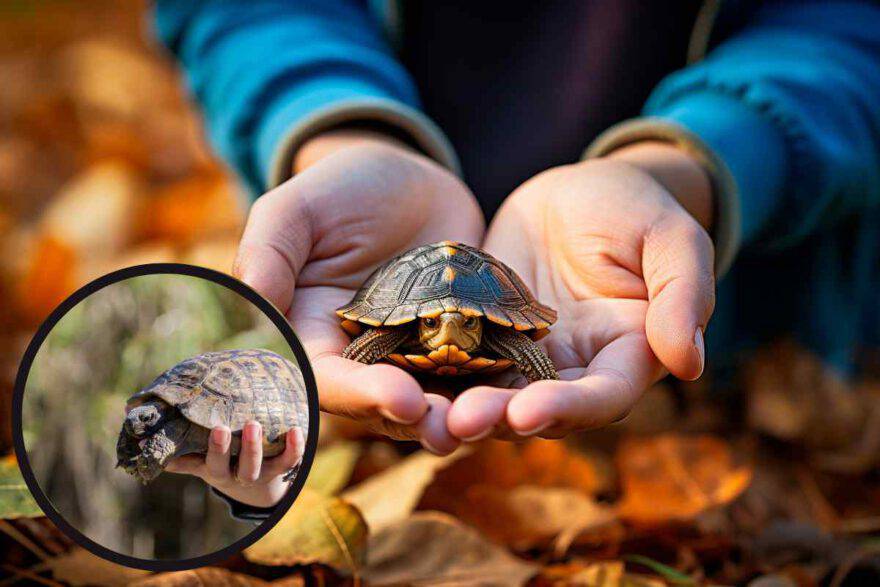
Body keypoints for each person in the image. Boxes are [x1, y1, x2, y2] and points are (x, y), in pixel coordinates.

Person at [153, 0, 880, 512]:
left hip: (775, 326)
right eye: (437, 329)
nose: (447, 334)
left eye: (460, 329)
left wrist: (694, 166)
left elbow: (851, 28)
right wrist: (335, 130)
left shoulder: (501, 330)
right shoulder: (405, 328)